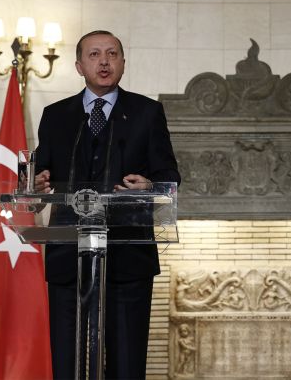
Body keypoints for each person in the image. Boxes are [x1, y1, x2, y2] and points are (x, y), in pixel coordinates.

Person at [34, 30, 181, 379]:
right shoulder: (56, 115)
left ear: (123, 63)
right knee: (67, 361)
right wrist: (37, 182)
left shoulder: (147, 112)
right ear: (78, 66)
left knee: (126, 362)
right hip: (68, 254)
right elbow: (38, 174)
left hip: (128, 255)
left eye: (112, 54)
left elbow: (169, 174)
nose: (104, 61)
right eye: (95, 54)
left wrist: (150, 185)